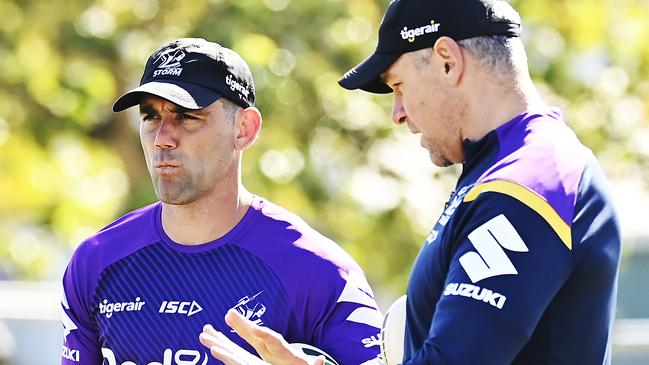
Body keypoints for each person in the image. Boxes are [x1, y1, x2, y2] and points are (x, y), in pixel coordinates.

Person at [199, 0, 622, 364]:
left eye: (398, 86)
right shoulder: (506, 170)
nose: (397, 113)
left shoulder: (527, 182)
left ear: (447, 61)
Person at [60, 38, 383, 365]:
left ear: (244, 129)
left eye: (186, 117)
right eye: (150, 117)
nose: (162, 138)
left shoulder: (319, 271)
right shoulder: (96, 261)